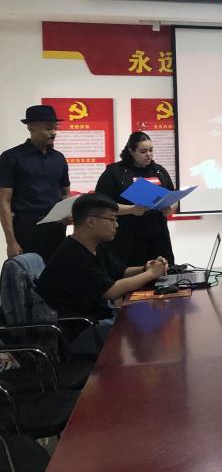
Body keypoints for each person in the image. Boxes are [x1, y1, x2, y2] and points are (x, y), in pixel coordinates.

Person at [36, 193, 167, 347]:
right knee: (147, 328)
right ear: (91, 222)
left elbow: (122, 272)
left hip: (97, 319)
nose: (116, 225)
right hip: (77, 331)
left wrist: (147, 267)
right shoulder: (72, 255)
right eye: (112, 219)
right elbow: (111, 291)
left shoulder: (95, 247)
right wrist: (151, 274)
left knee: (152, 320)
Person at [94, 132, 177, 266]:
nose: (148, 154)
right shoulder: (115, 172)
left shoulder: (159, 170)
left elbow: (173, 197)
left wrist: (170, 208)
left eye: (151, 150)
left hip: (158, 236)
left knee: (162, 271)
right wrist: (131, 209)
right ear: (131, 151)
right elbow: (101, 205)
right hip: (126, 236)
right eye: (143, 151)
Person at [0, 105, 70, 262]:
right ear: (30, 127)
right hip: (27, 227)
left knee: (57, 271)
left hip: (57, 227)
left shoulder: (58, 158)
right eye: (48, 128)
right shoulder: (11, 157)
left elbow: (65, 192)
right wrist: (11, 241)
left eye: (55, 128)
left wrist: (66, 213)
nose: (53, 132)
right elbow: (4, 201)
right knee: (29, 273)